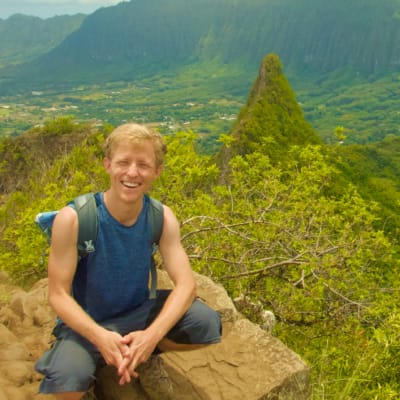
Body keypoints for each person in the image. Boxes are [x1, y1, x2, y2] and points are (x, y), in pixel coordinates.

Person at [35, 123, 222, 400]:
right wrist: (100, 337)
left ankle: (132, 352)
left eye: (143, 165)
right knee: (67, 383)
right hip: (88, 321)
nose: (132, 172)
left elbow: (186, 286)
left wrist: (150, 338)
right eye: (123, 162)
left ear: (157, 171)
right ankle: (98, 355)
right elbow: (58, 294)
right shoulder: (74, 219)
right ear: (107, 165)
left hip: (137, 315)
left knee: (206, 324)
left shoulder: (161, 217)